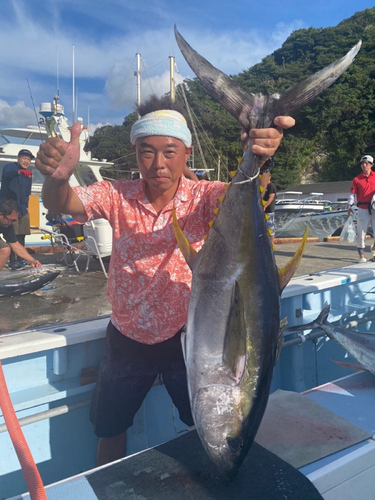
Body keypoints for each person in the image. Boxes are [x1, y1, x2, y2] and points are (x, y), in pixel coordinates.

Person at [35, 97, 295, 466]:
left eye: (169, 152)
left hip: (187, 338)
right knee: (109, 428)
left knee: (201, 420)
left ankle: (203, 480)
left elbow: (253, 195)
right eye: (147, 152)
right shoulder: (115, 194)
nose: (158, 164)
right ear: (134, 152)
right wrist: (57, 177)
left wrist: (261, 154)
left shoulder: (204, 197)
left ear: (187, 152)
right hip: (127, 337)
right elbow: (64, 204)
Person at [0, 148, 34, 270]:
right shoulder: (10, 168)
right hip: (9, 210)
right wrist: (19, 172)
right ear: (18, 158)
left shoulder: (28, 175)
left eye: (28, 159)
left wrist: (26, 206)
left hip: (22, 209)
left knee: (22, 235)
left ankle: (22, 260)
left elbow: (27, 193)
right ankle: (13, 261)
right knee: (12, 234)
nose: (26, 161)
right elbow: (8, 173)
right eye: (24, 158)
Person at [0, 199, 42, 271]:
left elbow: (15, 245)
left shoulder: (7, 225)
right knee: (5, 249)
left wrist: (32, 260)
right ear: (1, 215)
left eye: (14, 220)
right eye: (11, 220)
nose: (12, 223)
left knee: (5, 249)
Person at [347, 155, 375, 263]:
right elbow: (352, 194)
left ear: (371, 165)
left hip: (374, 208)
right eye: (362, 163)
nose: (364, 165)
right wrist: (350, 206)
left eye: (367, 163)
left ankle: (373, 249)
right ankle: (361, 255)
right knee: (361, 232)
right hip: (362, 208)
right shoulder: (356, 179)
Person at [261, 166, 277, 246]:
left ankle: (272, 242)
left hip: (269, 210)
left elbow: (271, 197)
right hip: (263, 210)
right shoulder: (263, 187)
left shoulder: (271, 186)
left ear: (269, 177)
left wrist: (265, 206)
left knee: (270, 226)